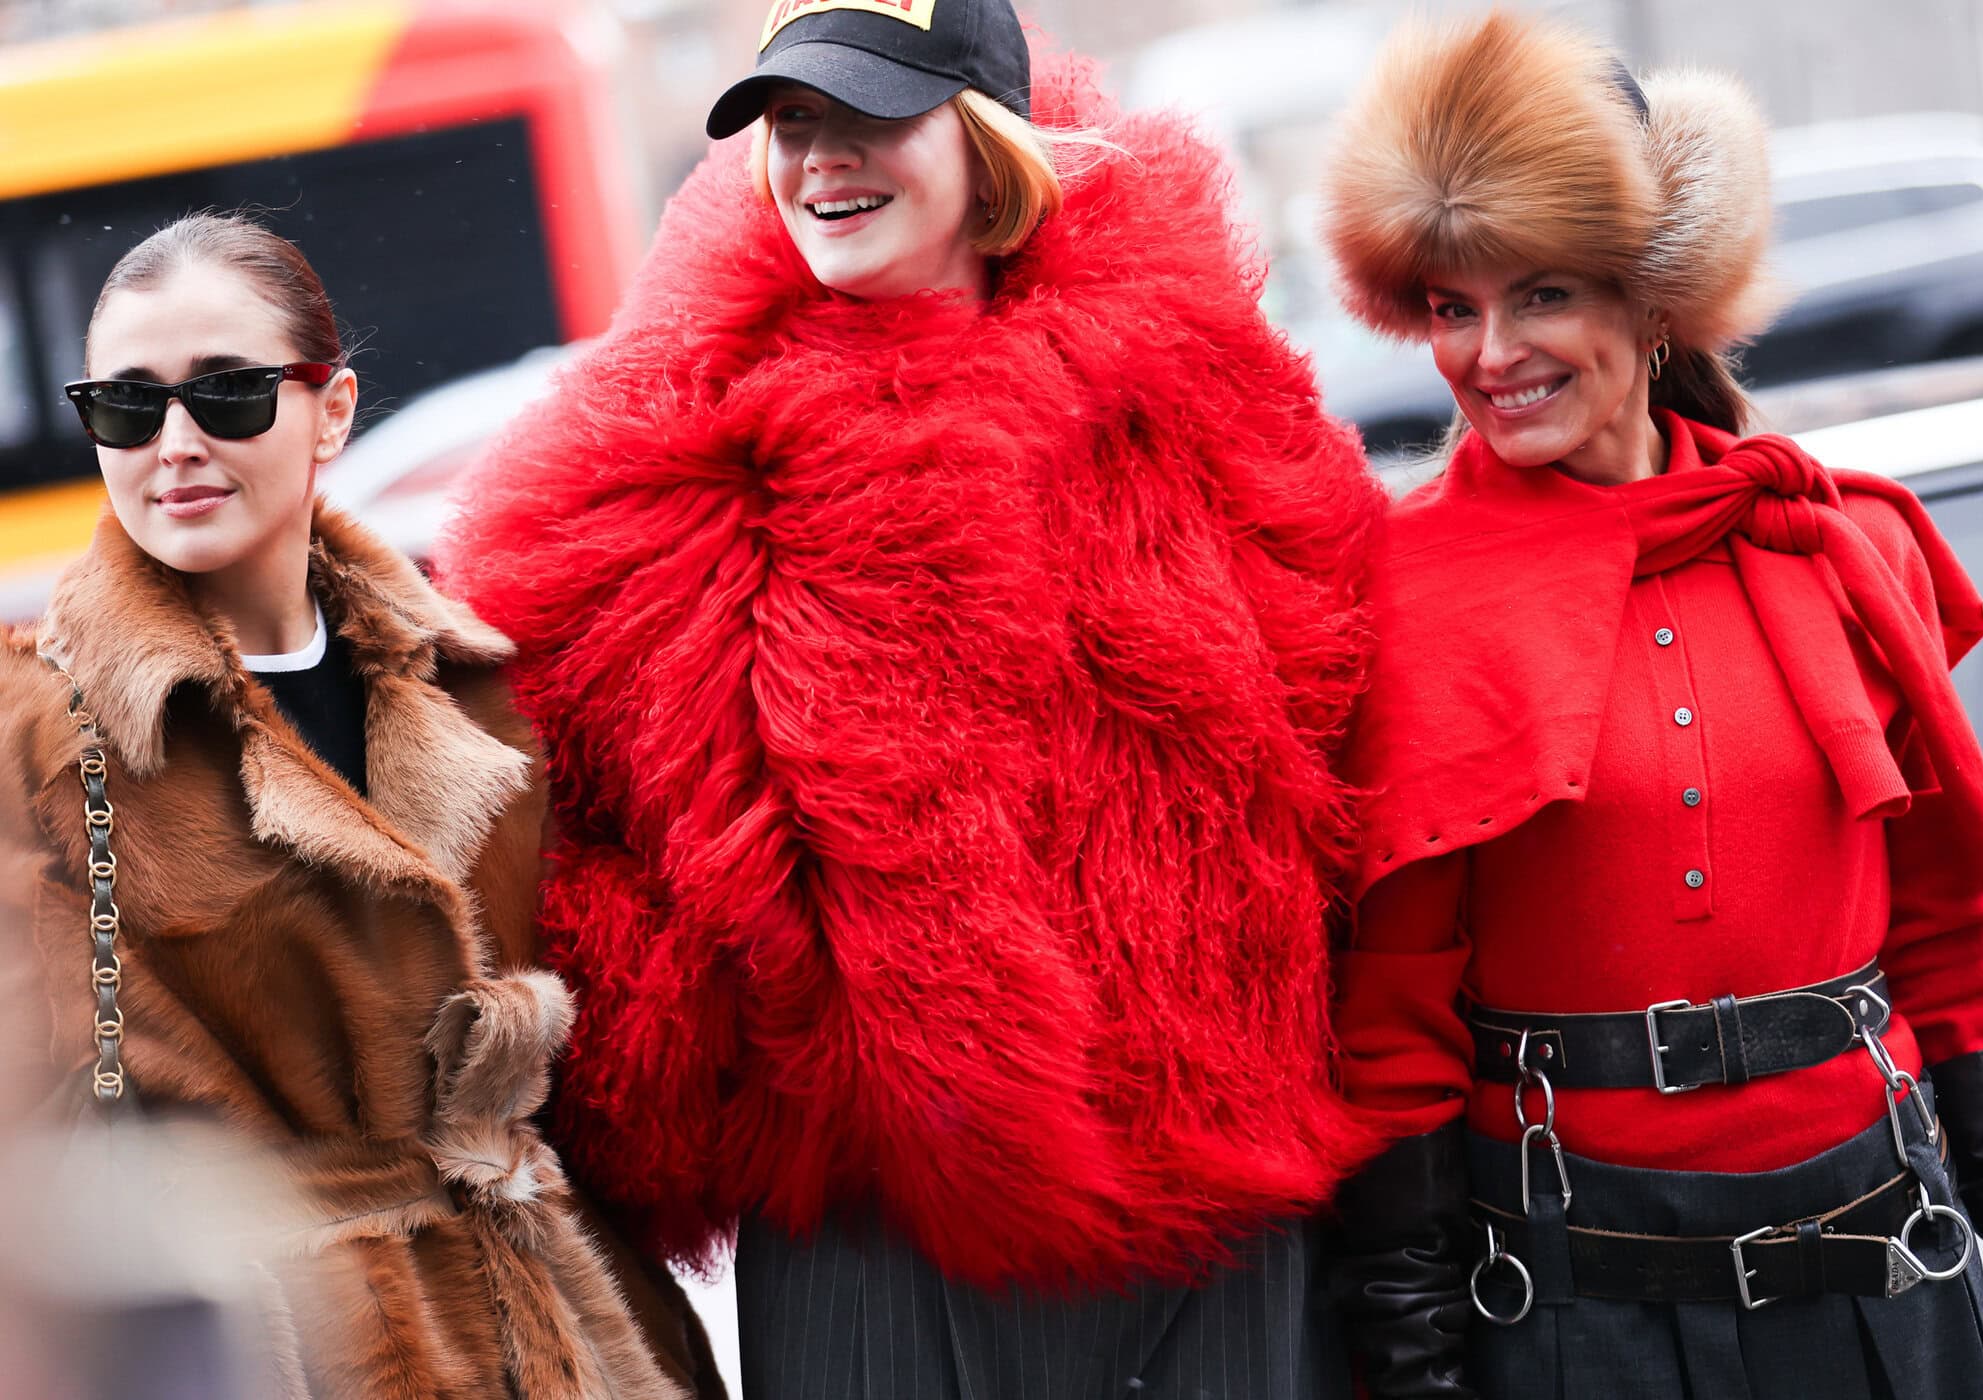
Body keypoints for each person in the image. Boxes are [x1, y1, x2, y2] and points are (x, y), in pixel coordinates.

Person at [435, 0, 1387, 1395]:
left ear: (985, 131)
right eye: (793, 124)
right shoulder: (661, 453)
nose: (825, 159)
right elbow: (535, 820)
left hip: (1214, 1215)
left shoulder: (1193, 394)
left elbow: (1339, 752)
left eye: (871, 112)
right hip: (874, 1233)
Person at [1318, 13, 1983, 1400]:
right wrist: (1413, 1364)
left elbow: (1952, 949)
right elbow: (1395, 1027)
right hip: (1572, 1313)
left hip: (1887, 1290)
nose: (1489, 352)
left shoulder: (1837, 544)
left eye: (1542, 293)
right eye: (1451, 305)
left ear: (1655, 295)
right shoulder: (1403, 599)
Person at [0, 213, 704, 1400]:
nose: (174, 442)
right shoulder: (41, 735)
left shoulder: (478, 688)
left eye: (226, 391)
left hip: (579, 1328)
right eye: (126, 404)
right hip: (301, 1351)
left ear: (331, 408)